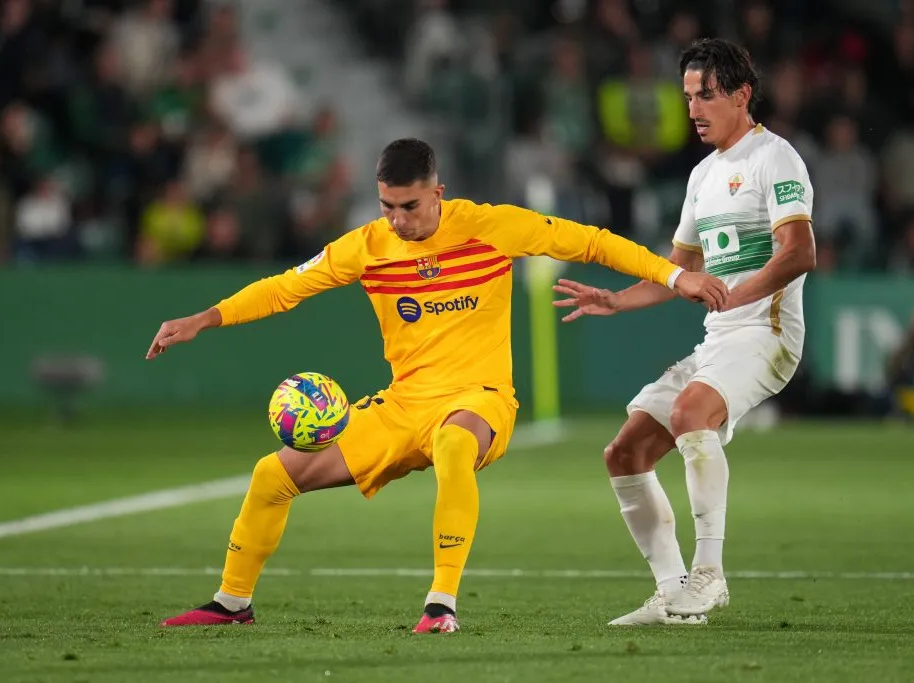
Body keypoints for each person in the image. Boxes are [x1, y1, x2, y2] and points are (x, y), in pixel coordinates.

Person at [146, 138, 728, 633]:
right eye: (387, 206)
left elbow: (594, 242)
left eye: (409, 206)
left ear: (438, 192)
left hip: (481, 400)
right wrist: (204, 318)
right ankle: (232, 603)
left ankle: (440, 604)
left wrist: (674, 274)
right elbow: (282, 289)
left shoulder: (489, 226)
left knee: (454, 443)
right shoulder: (367, 246)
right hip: (403, 404)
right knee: (272, 474)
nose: (398, 219)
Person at [553, 38, 817, 625]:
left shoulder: (776, 159)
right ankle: (673, 593)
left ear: (742, 94)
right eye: (688, 97)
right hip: (722, 337)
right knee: (624, 452)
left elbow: (799, 252)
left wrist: (734, 294)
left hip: (768, 332)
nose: (693, 108)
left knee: (690, 413)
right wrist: (616, 299)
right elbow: (682, 271)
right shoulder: (702, 175)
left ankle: (710, 575)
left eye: (706, 95)